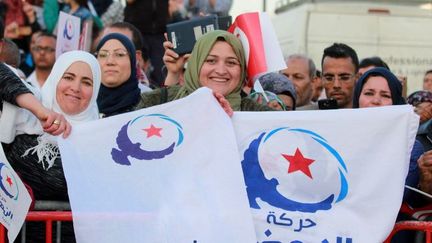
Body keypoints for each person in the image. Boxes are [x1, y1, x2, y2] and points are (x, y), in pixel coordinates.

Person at [3, 50, 100, 243]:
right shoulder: (25, 118)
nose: (76, 87)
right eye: (68, 77)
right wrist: (41, 112)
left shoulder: (101, 140)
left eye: (87, 82)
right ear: (55, 77)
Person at [136, 30, 271, 112]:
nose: (221, 70)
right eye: (211, 60)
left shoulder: (260, 116)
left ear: (241, 71)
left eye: (231, 62)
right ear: (195, 64)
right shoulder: (153, 103)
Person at [95, 33, 141, 117]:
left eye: (119, 54)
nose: (110, 62)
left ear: (132, 61)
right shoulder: (80, 103)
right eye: (103, 55)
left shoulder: (150, 106)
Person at [124, 0, 167, 87]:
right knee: (136, 67)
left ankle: (162, 96)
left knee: (161, 71)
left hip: (160, 31)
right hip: (137, 30)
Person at [321, 43, 359, 109]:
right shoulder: (307, 115)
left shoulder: (370, 115)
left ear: (357, 78)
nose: (336, 85)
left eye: (344, 78)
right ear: (322, 79)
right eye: (329, 78)